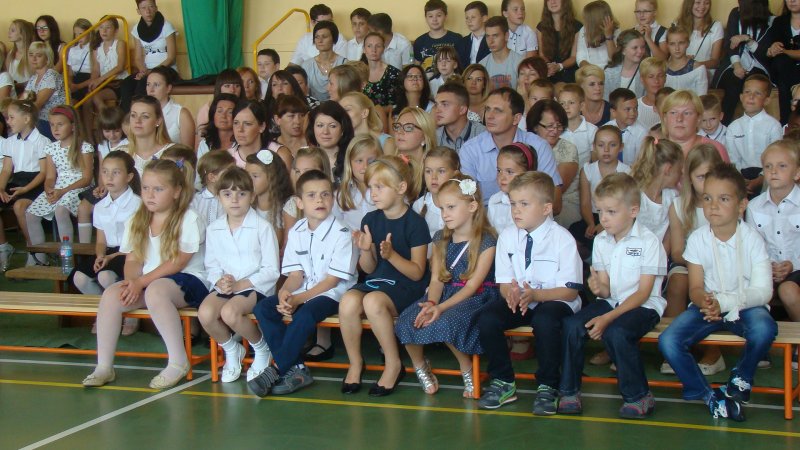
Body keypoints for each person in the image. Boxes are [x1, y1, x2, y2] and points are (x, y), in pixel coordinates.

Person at [659, 163, 776, 421]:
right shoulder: (698, 239)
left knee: (764, 328)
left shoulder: (753, 240)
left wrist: (722, 302)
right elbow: (695, 288)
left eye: (723, 199)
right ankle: (709, 396)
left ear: (741, 205)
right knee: (668, 341)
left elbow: (763, 291)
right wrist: (705, 301)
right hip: (708, 307)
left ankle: (741, 379)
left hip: (746, 306)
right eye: (707, 198)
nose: (713, 206)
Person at [82, 159, 210, 389]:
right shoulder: (137, 218)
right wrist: (132, 282)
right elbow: (133, 259)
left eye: (158, 189)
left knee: (156, 291)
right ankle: (104, 366)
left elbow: (179, 261)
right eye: (146, 188)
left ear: (176, 191)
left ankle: (178, 361)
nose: (150, 195)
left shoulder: (189, 218)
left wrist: (141, 282)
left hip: (190, 279)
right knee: (112, 295)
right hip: (150, 281)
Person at [559, 172, 666, 419]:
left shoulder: (649, 242)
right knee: (572, 326)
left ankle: (638, 396)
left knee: (617, 332)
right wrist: (599, 288)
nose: (603, 219)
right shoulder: (601, 241)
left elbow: (643, 293)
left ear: (633, 211)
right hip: (611, 301)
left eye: (611, 212)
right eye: (600, 211)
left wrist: (607, 318)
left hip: (643, 306)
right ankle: (569, 392)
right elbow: (607, 290)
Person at [478, 171, 582, 413]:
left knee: (545, 321)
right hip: (525, 299)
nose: (516, 210)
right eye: (513, 203)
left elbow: (570, 292)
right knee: (488, 318)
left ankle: (548, 385)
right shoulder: (507, 236)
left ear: (546, 208)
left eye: (524, 204)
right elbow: (504, 283)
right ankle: (503, 381)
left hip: (555, 300)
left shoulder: (562, 239)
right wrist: (511, 294)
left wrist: (535, 296)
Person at [247, 169, 357, 396]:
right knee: (263, 308)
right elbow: (295, 274)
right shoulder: (297, 230)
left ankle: (277, 368)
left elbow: (332, 281)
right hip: (303, 291)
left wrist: (298, 299)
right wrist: (285, 293)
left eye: (325, 194)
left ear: (333, 198)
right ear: (299, 202)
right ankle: (296, 368)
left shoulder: (343, 232)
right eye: (312, 195)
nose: (320, 200)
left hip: (333, 294)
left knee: (305, 314)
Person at [398, 174, 498, 398]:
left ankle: (466, 367)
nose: (445, 214)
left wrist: (440, 308)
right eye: (442, 208)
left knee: (446, 320)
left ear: (472, 206)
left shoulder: (487, 241)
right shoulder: (440, 238)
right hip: (443, 294)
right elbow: (436, 280)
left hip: (475, 296)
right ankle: (420, 366)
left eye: (451, 207)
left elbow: (471, 287)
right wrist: (431, 302)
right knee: (408, 319)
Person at [339, 156, 430, 396]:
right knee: (348, 302)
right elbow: (369, 269)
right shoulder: (370, 219)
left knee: (372, 301)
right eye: (371, 187)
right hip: (378, 281)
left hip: (406, 286)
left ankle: (393, 364)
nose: (373, 193)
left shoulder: (415, 223)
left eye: (380, 187)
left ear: (401, 188)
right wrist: (365, 250)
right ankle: (355, 363)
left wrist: (392, 256)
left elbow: (417, 272)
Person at [199, 166, 280, 383]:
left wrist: (241, 284)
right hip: (227, 287)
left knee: (230, 313)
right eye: (227, 194)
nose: (234, 200)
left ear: (252, 197)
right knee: (205, 313)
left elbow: (272, 270)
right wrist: (220, 280)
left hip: (256, 287)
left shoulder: (262, 227)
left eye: (241, 194)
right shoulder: (214, 228)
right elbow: (211, 265)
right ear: (219, 198)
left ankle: (261, 348)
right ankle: (231, 349)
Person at [663, 144, 725, 374]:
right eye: (700, 177)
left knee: (712, 285)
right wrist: (698, 265)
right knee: (679, 282)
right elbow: (677, 252)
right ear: (689, 177)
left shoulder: (726, 205)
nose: (706, 182)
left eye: (710, 175)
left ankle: (713, 352)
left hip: (721, 266)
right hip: (687, 264)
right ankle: (674, 349)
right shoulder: (679, 206)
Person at [71, 151, 142, 335]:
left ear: (129, 177)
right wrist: (100, 255)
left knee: (105, 276)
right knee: (79, 277)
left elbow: (136, 244)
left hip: (129, 253)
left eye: (116, 172)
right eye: (105, 172)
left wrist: (111, 257)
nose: (109, 177)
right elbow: (101, 240)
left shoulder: (137, 204)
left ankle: (130, 314)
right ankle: (105, 313)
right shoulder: (100, 206)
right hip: (109, 252)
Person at [746, 140, 800, 371]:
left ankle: (799, 341)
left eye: (782, 166)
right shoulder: (754, 206)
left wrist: (792, 264)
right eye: (768, 166)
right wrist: (766, 266)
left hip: (797, 268)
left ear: (797, 173)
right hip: (767, 268)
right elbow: (753, 244)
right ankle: (761, 342)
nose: (774, 171)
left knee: (788, 290)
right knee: (757, 290)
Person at [460, 87, 563, 205]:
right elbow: (466, 202)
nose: (489, 116)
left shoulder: (539, 147)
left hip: (529, 215)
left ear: (516, 118)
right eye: (488, 109)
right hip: (485, 215)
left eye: (498, 111)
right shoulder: (470, 149)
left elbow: (554, 202)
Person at [26, 105, 94, 261]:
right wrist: (49, 189)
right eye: (52, 125)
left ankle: (67, 258)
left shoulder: (84, 147)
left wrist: (62, 192)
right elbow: (50, 176)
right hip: (58, 187)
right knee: (31, 214)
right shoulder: (51, 149)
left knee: (61, 211)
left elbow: (87, 178)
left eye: (60, 124)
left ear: (73, 126)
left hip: (79, 187)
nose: (55, 129)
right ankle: (40, 258)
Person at [0, 100, 50, 268]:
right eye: (7, 118)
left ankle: (34, 251)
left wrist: (26, 189)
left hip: (35, 183)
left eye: (11, 117)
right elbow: (7, 169)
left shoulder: (42, 141)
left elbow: (43, 173)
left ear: (27, 119)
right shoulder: (9, 141)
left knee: (19, 206)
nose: (8, 121)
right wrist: (1, 188)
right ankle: (3, 247)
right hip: (17, 181)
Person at [713, 0, 773, 124]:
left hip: (758, 65)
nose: (740, 8)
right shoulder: (735, 14)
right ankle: (723, 125)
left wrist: (747, 39)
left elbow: (764, 55)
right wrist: (737, 65)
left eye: (743, 5)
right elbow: (731, 44)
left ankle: (753, 125)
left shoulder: (772, 21)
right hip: (733, 63)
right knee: (734, 82)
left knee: (754, 84)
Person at [572, 125, 631, 246]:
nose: (606, 150)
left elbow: (626, 204)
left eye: (612, 145)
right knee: (574, 233)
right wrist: (591, 224)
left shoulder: (626, 172)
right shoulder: (588, 170)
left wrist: (604, 225)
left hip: (617, 216)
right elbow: (585, 203)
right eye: (601, 145)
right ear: (594, 147)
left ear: (621, 147)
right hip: (593, 216)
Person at [726, 74, 783, 197]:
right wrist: (740, 179)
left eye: (757, 93)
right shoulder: (733, 128)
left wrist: (762, 178)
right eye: (747, 92)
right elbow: (732, 158)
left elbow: (776, 156)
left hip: (767, 175)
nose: (751, 97)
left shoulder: (773, 125)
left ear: (767, 100)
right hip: (741, 177)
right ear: (741, 97)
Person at [528, 100, 580, 228]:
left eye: (559, 126)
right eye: (550, 126)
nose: (555, 131)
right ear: (535, 126)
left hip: (563, 205)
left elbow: (555, 190)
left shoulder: (568, 148)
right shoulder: (526, 146)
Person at [120, 0, 178, 112]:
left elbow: (171, 57)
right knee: (126, 84)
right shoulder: (136, 29)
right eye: (143, 8)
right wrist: (143, 71)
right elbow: (138, 58)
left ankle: (144, 115)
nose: (148, 11)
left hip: (166, 69)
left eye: (151, 7)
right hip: (147, 70)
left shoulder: (166, 26)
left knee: (143, 84)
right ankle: (129, 118)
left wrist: (151, 72)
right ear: (138, 11)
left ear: (156, 8)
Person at [757, 0, 800, 124]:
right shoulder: (779, 22)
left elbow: (784, 52)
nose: (792, 1)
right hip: (784, 70)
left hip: (788, 75)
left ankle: (786, 122)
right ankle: (786, 122)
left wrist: (785, 51)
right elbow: (773, 48)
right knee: (781, 62)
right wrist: (774, 48)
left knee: (784, 74)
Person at [661, 90, 729, 160]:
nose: (679, 119)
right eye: (673, 113)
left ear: (698, 118)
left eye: (687, 113)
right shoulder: (654, 150)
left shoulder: (716, 150)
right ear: (665, 117)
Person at [245, 151, 293, 246]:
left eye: (255, 176)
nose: (248, 180)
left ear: (272, 177)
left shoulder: (284, 210)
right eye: (246, 175)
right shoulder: (245, 208)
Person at [488, 143, 538, 235]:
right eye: (499, 170)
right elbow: (492, 235)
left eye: (509, 172)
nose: (502, 177)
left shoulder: (538, 202)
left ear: (528, 173)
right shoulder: (494, 201)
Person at [334, 135, 381, 231]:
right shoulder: (340, 195)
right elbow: (336, 227)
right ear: (349, 163)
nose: (365, 166)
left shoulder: (389, 191)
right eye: (359, 161)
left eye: (371, 161)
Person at [230, 100, 292, 172]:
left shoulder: (280, 155)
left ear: (262, 127)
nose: (240, 129)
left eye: (247, 124)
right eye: (236, 123)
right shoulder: (228, 157)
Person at [413, 147, 460, 238]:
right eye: (428, 171)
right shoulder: (418, 205)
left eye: (441, 171)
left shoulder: (463, 204)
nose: (433, 177)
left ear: (455, 175)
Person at [23, 41, 66, 140]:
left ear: (47, 59)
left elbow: (36, 104)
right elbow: (22, 101)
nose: (34, 59)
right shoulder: (33, 78)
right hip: (40, 120)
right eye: (31, 55)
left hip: (54, 121)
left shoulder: (51, 75)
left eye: (38, 56)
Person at [123, 96, 174, 175]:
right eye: (133, 115)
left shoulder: (172, 153)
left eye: (145, 116)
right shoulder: (121, 153)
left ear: (158, 121)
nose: (137, 121)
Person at [306, 100, 354, 184]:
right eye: (320, 125)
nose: (325, 132)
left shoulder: (353, 159)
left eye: (332, 126)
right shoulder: (305, 159)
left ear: (343, 129)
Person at [146, 67, 195, 147]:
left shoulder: (181, 114)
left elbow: (188, 151)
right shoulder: (143, 111)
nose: (150, 90)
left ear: (168, 88)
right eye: (148, 84)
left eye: (156, 85)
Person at [89, 18, 129, 115]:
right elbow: (96, 69)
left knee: (96, 97)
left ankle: (107, 118)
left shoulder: (120, 44)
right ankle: (89, 126)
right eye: (101, 27)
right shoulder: (97, 48)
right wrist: (93, 82)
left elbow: (120, 67)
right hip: (104, 83)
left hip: (119, 82)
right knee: (87, 101)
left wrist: (100, 80)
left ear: (116, 30)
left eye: (108, 27)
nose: (104, 30)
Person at [300, 21, 347, 102]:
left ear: (334, 38)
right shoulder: (306, 65)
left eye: (324, 37)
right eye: (317, 37)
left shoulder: (344, 64)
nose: (320, 40)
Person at [537, 0, 582, 84]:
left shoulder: (577, 26)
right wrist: (549, 66)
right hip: (548, 71)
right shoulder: (541, 27)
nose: (553, 2)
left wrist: (559, 66)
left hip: (569, 72)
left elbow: (574, 57)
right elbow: (542, 55)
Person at [674, 0, 724, 75]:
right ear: (689, 3)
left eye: (706, 3)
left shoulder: (716, 26)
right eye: (698, 2)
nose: (702, 6)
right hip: (680, 72)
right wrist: (682, 60)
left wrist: (693, 64)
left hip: (705, 73)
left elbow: (715, 62)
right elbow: (672, 55)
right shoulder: (677, 24)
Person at [362, 32, 401, 126]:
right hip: (362, 120)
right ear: (364, 49)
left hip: (388, 121)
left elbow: (397, 105)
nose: (373, 50)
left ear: (383, 49)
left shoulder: (394, 73)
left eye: (378, 46)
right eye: (369, 46)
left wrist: (376, 111)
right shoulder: (358, 73)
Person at [414, 0, 462, 75]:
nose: (434, 19)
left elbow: (461, 66)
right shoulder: (419, 41)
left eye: (439, 15)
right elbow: (417, 68)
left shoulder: (457, 39)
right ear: (426, 18)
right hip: (428, 81)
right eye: (430, 16)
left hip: (451, 81)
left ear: (445, 16)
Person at [434, 82, 486, 151]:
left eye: (445, 104)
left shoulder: (483, 135)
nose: (437, 110)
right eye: (436, 104)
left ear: (462, 110)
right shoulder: (434, 137)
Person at [605, 88, 648, 165]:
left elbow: (642, 163)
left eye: (635, 108)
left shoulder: (642, 133)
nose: (633, 113)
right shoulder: (605, 129)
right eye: (628, 109)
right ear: (614, 112)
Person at [191, 151, 236, 226]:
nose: (235, 176)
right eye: (229, 173)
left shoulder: (234, 199)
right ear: (212, 177)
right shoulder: (195, 201)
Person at [479, 16, 523, 90]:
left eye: (495, 36)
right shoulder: (482, 65)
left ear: (506, 36)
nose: (491, 41)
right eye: (487, 36)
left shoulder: (520, 63)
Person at [559, 83, 597, 167]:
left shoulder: (592, 131)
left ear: (582, 106)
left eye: (571, 103)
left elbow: (596, 163)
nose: (566, 107)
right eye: (562, 103)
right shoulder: (556, 130)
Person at [665, 26, 709, 96]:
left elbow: (701, 99)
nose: (677, 48)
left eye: (681, 43)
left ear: (688, 43)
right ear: (667, 45)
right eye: (672, 44)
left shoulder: (698, 69)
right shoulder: (662, 69)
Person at [603, 30, 646, 100]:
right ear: (623, 50)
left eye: (643, 47)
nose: (640, 51)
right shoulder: (609, 73)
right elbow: (606, 100)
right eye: (635, 48)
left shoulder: (647, 70)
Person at [576, 1, 619, 68]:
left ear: (595, 21)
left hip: (610, 70)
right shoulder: (583, 30)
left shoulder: (616, 30)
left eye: (586, 19)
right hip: (591, 70)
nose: (584, 22)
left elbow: (614, 60)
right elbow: (580, 57)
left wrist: (608, 36)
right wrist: (591, 70)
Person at [196, 93, 238, 163]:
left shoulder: (241, 142)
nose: (223, 116)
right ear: (213, 114)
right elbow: (200, 169)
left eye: (230, 112)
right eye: (219, 111)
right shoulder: (205, 143)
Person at [65, 19, 93, 102]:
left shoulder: (94, 48)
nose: (78, 37)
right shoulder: (72, 50)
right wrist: (71, 84)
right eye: (75, 34)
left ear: (89, 33)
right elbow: (70, 73)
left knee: (86, 101)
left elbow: (96, 73)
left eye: (81, 34)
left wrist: (78, 86)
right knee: (71, 102)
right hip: (75, 80)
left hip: (88, 80)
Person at [636, 57, 667, 130]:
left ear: (665, 78)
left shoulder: (675, 104)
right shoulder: (635, 107)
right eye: (651, 77)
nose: (656, 81)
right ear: (642, 79)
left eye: (660, 76)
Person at [457, 1, 490, 66]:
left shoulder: (492, 39)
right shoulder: (462, 42)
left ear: (484, 18)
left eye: (473, 17)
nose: (469, 21)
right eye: (467, 18)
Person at [6, 20, 35, 91]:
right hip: (12, 91)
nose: (9, 32)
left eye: (13, 30)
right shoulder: (11, 53)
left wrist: (16, 85)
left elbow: (36, 79)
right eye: (9, 29)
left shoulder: (32, 54)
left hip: (27, 92)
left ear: (23, 34)